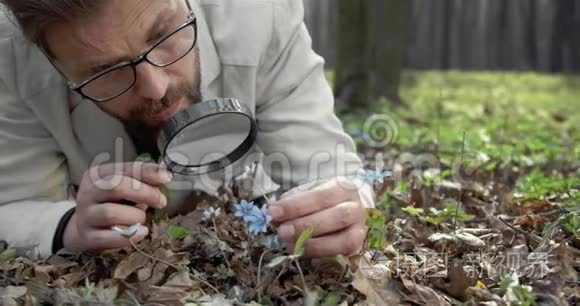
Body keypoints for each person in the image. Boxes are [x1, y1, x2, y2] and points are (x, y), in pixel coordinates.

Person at [0, 0, 374, 259]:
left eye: (162, 35)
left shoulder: (260, 15)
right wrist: (68, 227)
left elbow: (332, 175)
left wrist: (340, 208)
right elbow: (11, 207)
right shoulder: (10, 56)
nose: (156, 88)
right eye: (104, 71)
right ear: (50, 61)